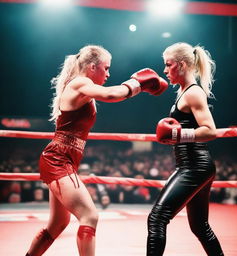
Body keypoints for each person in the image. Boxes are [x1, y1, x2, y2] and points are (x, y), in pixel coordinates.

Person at [25, 44, 168, 256]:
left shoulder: (82, 87)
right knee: (89, 216)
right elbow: (111, 95)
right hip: (58, 160)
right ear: (92, 67)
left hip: (64, 159)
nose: (109, 73)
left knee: (56, 225)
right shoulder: (80, 83)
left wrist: (138, 87)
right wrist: (137, 83)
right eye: (106, 68)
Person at [146, 42, 224, 255]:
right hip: (194, 166)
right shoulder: (182, 92)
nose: (164, 70)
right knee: (200, 226)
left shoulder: (193, 93)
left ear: (180, 65)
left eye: (168, 65)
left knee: (156, 219)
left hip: (195, 167)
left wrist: (179, 134)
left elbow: (210, 131)